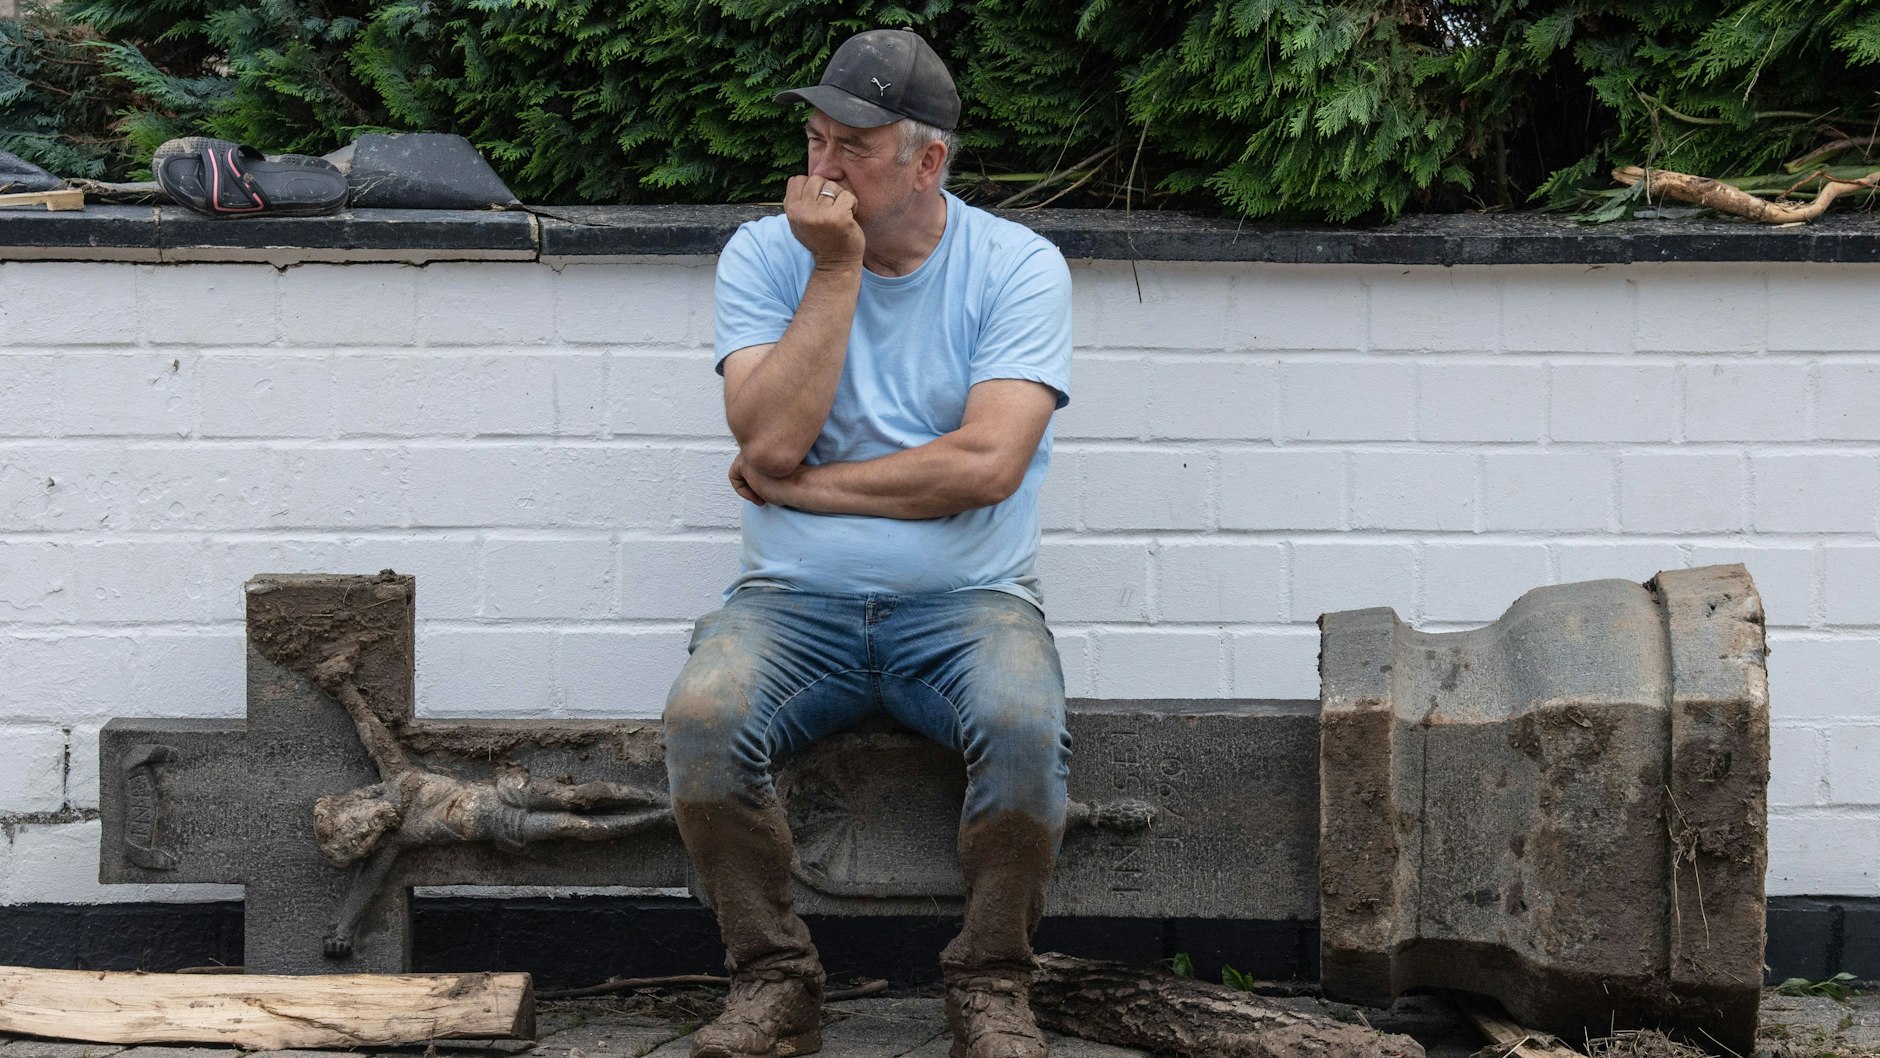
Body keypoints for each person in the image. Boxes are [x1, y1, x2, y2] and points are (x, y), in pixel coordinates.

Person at [661, 27, 1075, 1058]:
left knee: (1022, 727)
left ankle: (990, 983)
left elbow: (985, 465)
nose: (824, 169)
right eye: (815, 140)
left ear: (927, 162)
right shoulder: (767, 254)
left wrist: (801, 490)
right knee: (703, 718)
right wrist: (836, 268)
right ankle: (773, 979)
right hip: (790, 603)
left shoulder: (1017, 266)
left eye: (855, 147)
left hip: (969, 603)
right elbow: (767, 438)